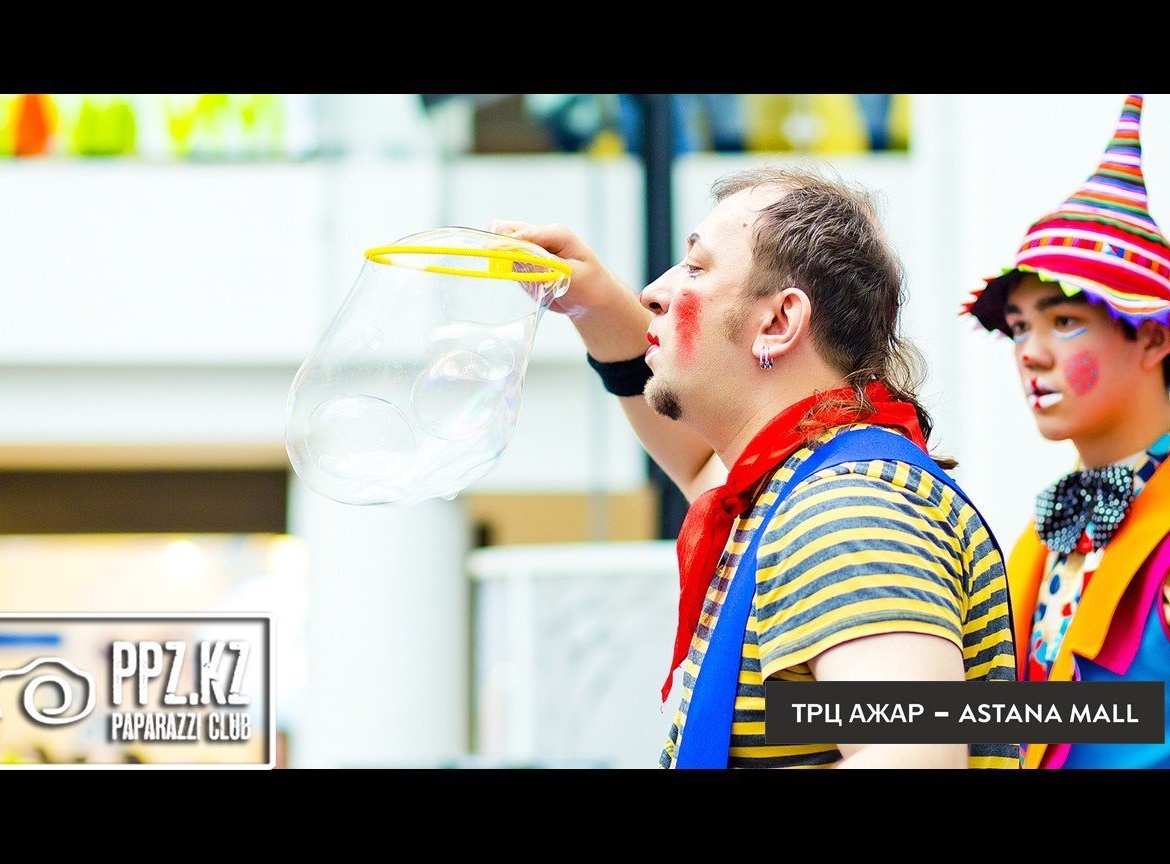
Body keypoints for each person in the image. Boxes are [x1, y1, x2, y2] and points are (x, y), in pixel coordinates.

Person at [492, 164, 1019, 769]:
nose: (653, 292)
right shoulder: (791, 485)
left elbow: (913, 757)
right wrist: (593, 305)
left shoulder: (844, 508)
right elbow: (695, 462)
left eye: (696, 267)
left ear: (777, 322)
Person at [963, 94, 1170, 769]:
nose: (1030, 352)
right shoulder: (1045, 528)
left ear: (1153, 338)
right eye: (1020, 326)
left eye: (1065, 322)